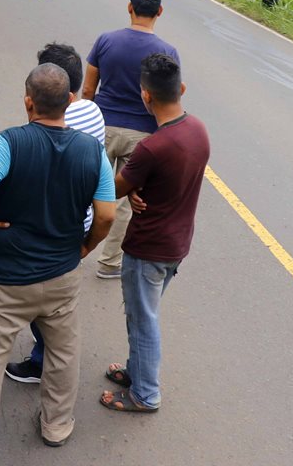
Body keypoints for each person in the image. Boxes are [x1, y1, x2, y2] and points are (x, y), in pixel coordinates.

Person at [0, 65, 116, 459]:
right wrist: (86, 247)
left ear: (28, 102)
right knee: (63, 352)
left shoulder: (10, 143)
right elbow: (105, 215)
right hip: (61, 275)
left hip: (3, 277)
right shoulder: (92, 151)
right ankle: (56, 426)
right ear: (70, 101)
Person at [100, 54, 210, 414]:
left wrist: (126, 184)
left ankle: (145, 394)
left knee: (143, 320)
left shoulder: (152, 147)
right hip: (176, 244)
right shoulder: (197, 129)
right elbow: (168, 180)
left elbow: (113, 189)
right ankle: (136, 372)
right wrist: (138, 186)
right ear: (180, 89)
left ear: (145, 96)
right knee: (141, 314)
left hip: (148, 248)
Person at [5, 43, 107, 384]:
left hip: (55, 220)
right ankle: (49, 356)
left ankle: (41, 359)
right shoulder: (92, 110)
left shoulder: (52, 122)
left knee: (42, 293)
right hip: (82, 220)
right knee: (56, 295)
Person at [82, 0, 180, 280]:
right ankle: (110, 263)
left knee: (85, 188)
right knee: (124, 202)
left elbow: (88, 89)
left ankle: (68, 248)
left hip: (102, 126)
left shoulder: (105, 41)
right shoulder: (167, 52)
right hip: (142, 135)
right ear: (160, 11)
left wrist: (83, 123)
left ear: (129, 7)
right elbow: (168, 100)